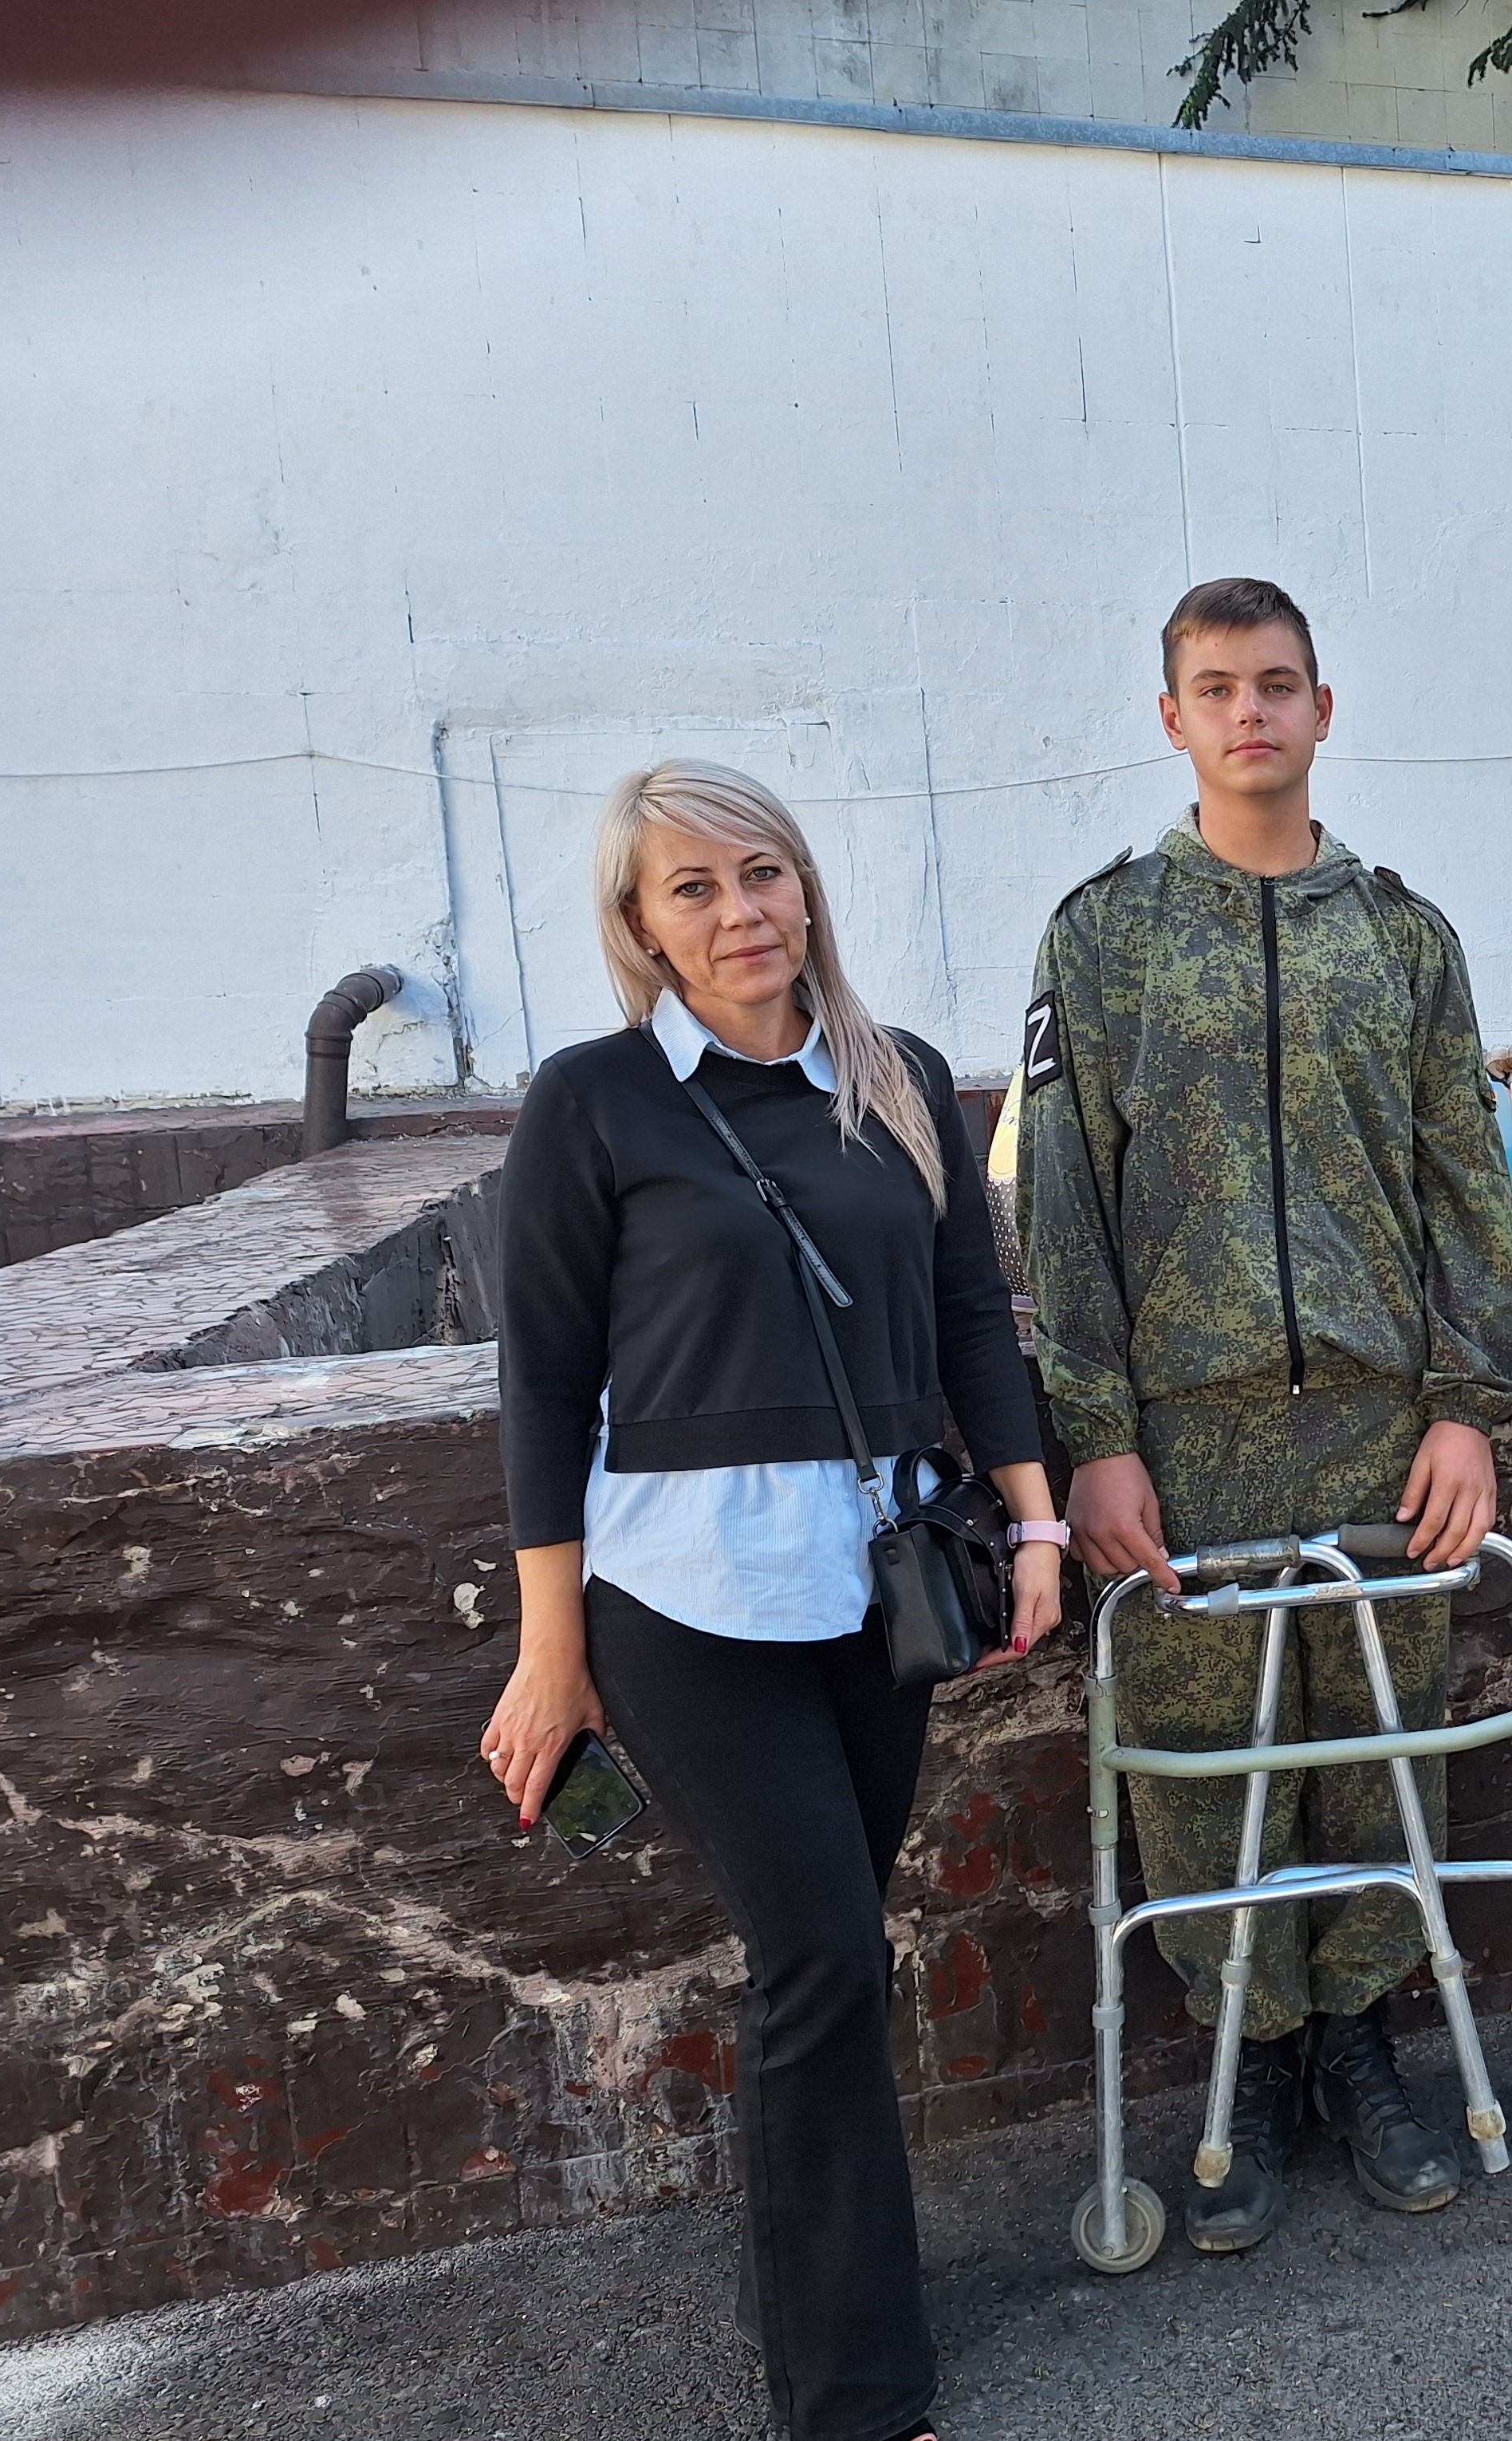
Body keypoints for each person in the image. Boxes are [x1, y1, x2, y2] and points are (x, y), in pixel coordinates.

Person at [479, 760, 1062, 2441]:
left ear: (805, 888)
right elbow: (544, 1384)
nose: (740, 911)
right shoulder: (595, 1102)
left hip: (876, 1586)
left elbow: (971, 1318)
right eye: (695, 888)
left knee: (837, 1961)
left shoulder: (896, 1083)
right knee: (816, 1953)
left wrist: (1034, 1524)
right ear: (641, 925)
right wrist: (551, 1650)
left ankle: (817, 2308)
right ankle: (852, 2392)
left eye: (763, 873)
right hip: (682, 1594)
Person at [1018, 577, 1512, 2253]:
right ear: (1172, 717)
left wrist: (1468, 1405)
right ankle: (1244, 2052)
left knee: (1374, 1752)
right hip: (1190, 1439)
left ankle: (1362, 2043)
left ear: (1323, 709)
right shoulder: (1104, 940)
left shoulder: (1404, 939)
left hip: (1382, 1426)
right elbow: (1063, 1208)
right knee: (1203, 1770)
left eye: (1279, 684)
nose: (1252, 712)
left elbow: (1468, 1188)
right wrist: (1098, 1436)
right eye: (1220, 687)